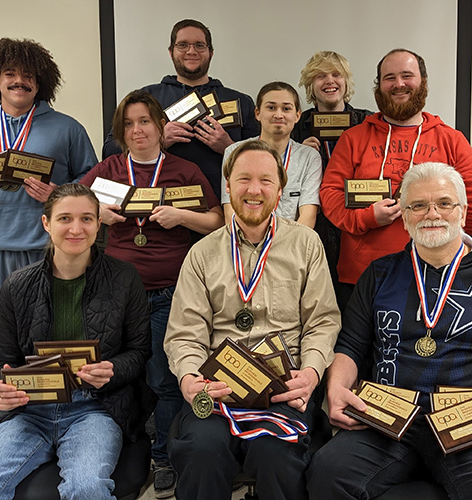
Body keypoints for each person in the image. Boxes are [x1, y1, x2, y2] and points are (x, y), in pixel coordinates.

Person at [164, 140, 341, 500]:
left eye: (266, 181)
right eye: (244, 179)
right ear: (227, 186)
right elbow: (185, 332)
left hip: (284, 386)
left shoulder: (307, 244)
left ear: (280, 190)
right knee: (201, 450)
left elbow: (322, 322)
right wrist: (188, 377)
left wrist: (310, 374)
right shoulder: (202, 253)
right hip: (217, 388)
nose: (254, 190)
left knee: (277, 456)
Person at [80, 90, 223, 499]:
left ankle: (163, 456)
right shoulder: (109, 169)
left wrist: (182, 216)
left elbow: (216, 221)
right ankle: (121, 448)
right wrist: (97, 214)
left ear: (161, 126)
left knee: (165, 378)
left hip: (172, 292)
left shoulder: (184, 168)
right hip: (116, 293)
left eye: (144, 121)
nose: (137, 130)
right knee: (115, 373)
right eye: (128, 123)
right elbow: (69, 207)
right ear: (120, 132)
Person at [0, 183, 154, 500]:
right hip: (30, 411)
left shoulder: (125, 278)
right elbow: (5, 362)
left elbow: (139, 352)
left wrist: (112, 368)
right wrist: (6, 391)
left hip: (96, 409)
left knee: (87, 487)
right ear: (46, 223)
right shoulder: (17, 285)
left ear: (99, 224)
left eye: (86, 219)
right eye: (64, 218)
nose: (75, 229)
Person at [307, 162, 472, 499]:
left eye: (444, 203)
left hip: (464, 423)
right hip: (388, 418)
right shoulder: (380, 273)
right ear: (405, 216)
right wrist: (336, 389)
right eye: (418, 205)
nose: (432, 214)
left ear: (463, 211)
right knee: (327, 471)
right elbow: (351, 344)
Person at [0, 37, 97, 403]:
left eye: (28, 76)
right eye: (10, 74)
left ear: (40, 82)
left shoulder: (67, 128)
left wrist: (58, 195)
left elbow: (91, 185)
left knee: (53, 339)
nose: (19, 81)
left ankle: (60, 416)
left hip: (49, 252)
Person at [319, 48, 472, 310]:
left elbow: (469, 200)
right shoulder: (353, 138)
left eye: (407, 76)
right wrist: (367, 218)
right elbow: (330, 195)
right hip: (362, 278)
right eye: (389, 77)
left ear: (422, 81)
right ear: (378, 86)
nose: (399, 84)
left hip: (439, 274)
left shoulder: (452, 140)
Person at [102, 19, 259, 199]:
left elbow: (261, 159)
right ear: (171, 52)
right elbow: (109, 151)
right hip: (159, 211)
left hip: (223, 205)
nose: (191, 51)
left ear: (211, 52)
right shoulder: (145, 98)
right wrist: (157, 141)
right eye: (183, 45)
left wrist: (229, 147)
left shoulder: (240, 101)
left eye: (199, 45)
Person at [292, 51, 372, 283]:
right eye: (320, 76)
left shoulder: (368, 123)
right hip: (313, 222)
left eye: (336, 74)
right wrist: (298, 153)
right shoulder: (296, 127)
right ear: (310, 85)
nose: (329, 81)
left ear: (346, 82)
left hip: (357, 221)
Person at [221, 81, 322, 228]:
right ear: (258, 113)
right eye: (271, 107)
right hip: (244, 245)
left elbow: (308, 215)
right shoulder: (235, 152)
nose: (278, 115)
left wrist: (284, 248)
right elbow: (230, 212)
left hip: (291, 246)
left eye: (286, 108)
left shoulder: (309, 157)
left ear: (297, 115)